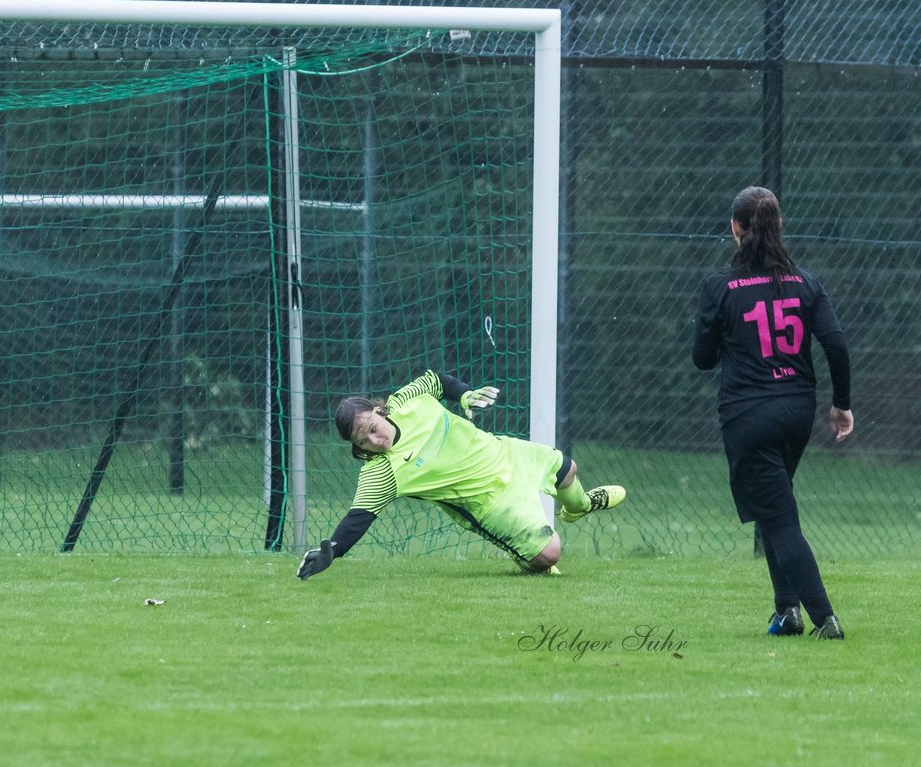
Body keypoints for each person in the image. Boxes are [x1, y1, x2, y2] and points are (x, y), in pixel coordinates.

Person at [692, 186, 853, 639]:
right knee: (775, 508)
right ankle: (787, 611)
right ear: (779, 226)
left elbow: (703, 359)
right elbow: (836, 344)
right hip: (797, 410)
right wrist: (841, 404)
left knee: (779, 520)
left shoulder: (720, 287)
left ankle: (825, 619)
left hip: (749, 415)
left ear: (735, 228)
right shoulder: (806, 283)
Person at [296, 369, 625, 580]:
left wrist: (466, 394)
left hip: (506, 454)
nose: (374, 440)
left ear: (379, 410)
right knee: (549, 555)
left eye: (372, 428)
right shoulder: (382, 472)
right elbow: (358, 517)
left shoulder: (406, 400)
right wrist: (332, 551)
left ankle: (579, 506)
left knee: (567, 469)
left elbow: (439, 381)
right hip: (490, 504)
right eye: (362, 441)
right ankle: (527, 556)